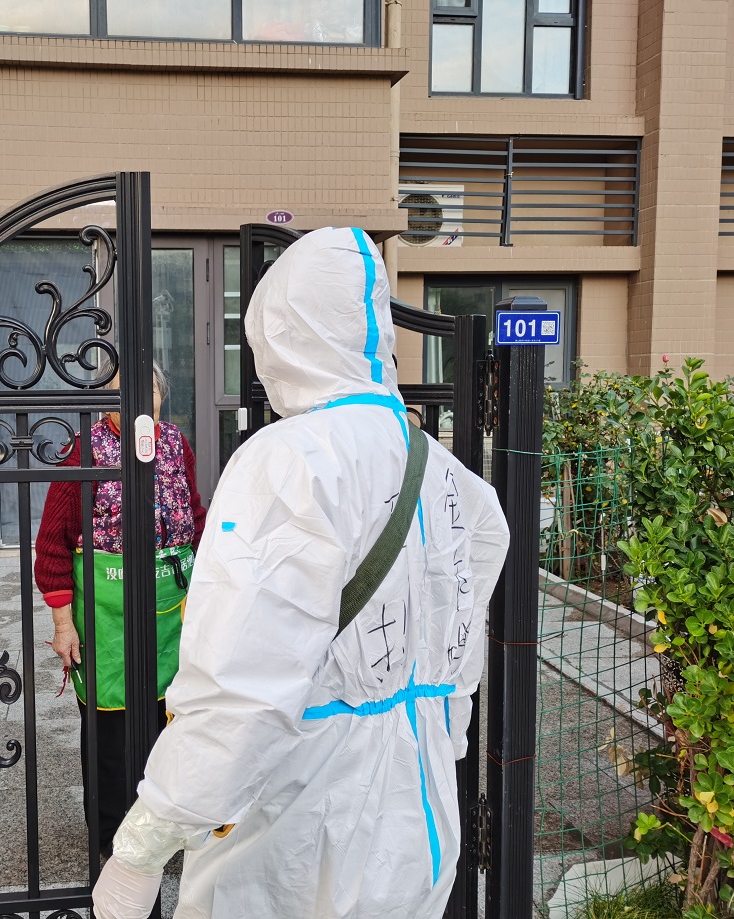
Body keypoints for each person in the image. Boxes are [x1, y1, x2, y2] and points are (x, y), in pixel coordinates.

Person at [92, 228, 510, 918]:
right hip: (421, 811)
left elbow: (242, 688)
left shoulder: (290, 460)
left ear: (279, 333)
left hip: (304, 818)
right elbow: (465, 624)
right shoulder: (447, 472)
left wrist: (144, 842)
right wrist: (445, 728)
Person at [34, 362, 206, 859]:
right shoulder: (84, 451)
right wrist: (63, 625)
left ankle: (164, 828)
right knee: (110, 727)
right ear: (104, 402)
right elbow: (52, 543)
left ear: (161, 396)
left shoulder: (174, 444)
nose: (136, 398)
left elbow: (195, 517)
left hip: (171, 606)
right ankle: (112, 836)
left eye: (147, 387)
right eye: (121, 390)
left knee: (169, 720)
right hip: (106, 612)